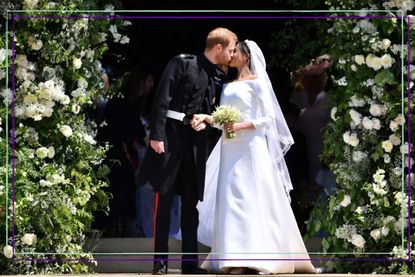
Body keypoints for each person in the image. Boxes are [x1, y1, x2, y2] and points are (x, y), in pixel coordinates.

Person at [193, 40, 316, 274]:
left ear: (246, 57)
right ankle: (233, 258)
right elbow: (223, 118)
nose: (231, 55)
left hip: (250, 146)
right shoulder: (228, 84)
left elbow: (268, 118)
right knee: (231, 199)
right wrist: (208, 119)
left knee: (252, 198)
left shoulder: (258, 84)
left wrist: (241, 125)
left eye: (235, 52)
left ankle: (260, 257)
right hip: (230, 147)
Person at [137, 27, 238, 275]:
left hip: (195, 144)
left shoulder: (217, 76)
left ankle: (189, 264)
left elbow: (213, 110)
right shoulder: (182, 63)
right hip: (171, 139)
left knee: (191, 204)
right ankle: (160, 263)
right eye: (231, 49)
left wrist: (206, 120)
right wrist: (157, 135)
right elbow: (162, 98)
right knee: (165, 201)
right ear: (218, 47)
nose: (232, 54)